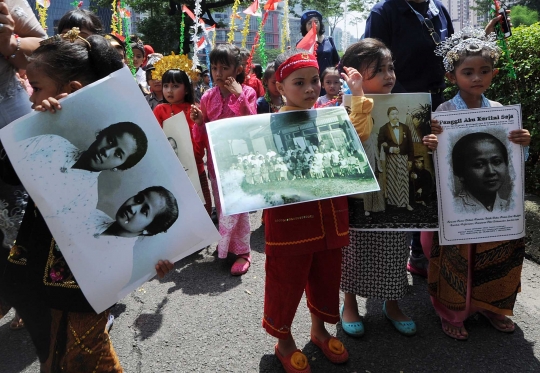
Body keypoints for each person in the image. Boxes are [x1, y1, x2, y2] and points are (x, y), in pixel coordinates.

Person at [0, 31, 173, 371]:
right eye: (108, 141)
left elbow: (117, 239)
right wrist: (32, 129)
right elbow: (8, 174)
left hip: (80, 287)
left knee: (87, 355)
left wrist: (156, 257)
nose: (29, 95)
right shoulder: (50, 141)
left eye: (35, 87)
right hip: (33, 271)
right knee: (52, 354)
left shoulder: (93, 197)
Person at [261, 48, 373, 373]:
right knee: (286, 280)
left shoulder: (328, 115)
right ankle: (283, 341)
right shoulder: (268, 125)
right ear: (279, 87)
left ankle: (319, 330)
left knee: (326, 274)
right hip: (290, 222)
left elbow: (359, 133)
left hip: (329, 216)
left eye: (314, 81)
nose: (311, 88)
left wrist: (359, 94)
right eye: (300, 83)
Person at [422, 26, 531, 340]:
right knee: (457, 257)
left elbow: (513, 165)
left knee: (496, 255)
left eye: (484, 71)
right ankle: (453, 312)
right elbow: (438, 167)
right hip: (457, 209)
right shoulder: (444, 113)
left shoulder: (500, 113)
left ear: (493, 74)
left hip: (496, 213)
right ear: (452, 76)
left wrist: (521, 143)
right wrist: (432, 145)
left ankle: (494, 307)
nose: (476, 78)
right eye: (467, 72)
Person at [338, 39, 438, 339]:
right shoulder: (342, 108)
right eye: (378, 70)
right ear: (353, 74)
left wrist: (430, 141)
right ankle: (350, 303)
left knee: (395, 248)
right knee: (354, 248)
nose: (388, 75)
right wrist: (356, 97)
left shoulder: (406, 106)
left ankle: (392, 303)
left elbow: (416, 145)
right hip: (357, 188)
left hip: (392, 175)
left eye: (390, 67)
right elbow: (353, 138)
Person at [55, 186, 179, 314]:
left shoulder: (120, 266)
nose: (133, 207)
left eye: (144, 211)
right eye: (138, 199)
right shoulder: (94, 214)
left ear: (148, 230)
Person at [190, 43, 257, 276]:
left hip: (240, 162)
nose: (218, 74)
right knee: (223, 206)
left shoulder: (248, 92)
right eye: (215, 68)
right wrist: (199, 122)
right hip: (217, 162)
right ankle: (228, 246)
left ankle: (243, 252)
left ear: (237, 70)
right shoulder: (208, 97)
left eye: (224, 68)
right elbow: (203, 132)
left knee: (238, 207)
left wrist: (239, 96)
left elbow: (251, 126)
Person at [16, 122, 148, 216]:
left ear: (118, 167)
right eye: (111, 141)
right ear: (100, 134)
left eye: (118, 154)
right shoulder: (53, 143)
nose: (107, 152)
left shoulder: (86, 200)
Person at [152, 66, 211, 216]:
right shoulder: (159, 110)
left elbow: (200, 141)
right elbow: (156, 139)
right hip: (171, 171)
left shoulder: (194, 109)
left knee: (202, 211)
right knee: (177, 213)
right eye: (166, 86)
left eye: (175, 86)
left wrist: (199, 123)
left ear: (186, 89)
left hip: (195, 169)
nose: (169, 90)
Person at [378, 106, 414, 210]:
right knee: (392, 180)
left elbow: (410, 145)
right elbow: (380, 144)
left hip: (404, 158)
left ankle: (405, 202)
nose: (395, 116)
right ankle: (392, 202)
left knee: (404, 180)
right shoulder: (383, 129)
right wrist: (390, 149)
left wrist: (410, 160)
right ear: (388, 116)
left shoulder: (405, 128)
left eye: (396, 113)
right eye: (392, 114)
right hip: (391, 159)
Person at [299, 10, 339, 84]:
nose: (313, 25)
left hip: (329, 82)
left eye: (316, 22)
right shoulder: (301, 44)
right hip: (311, 82)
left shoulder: (329, 40)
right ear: (305, 26)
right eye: (309, 23)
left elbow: (336, 61)